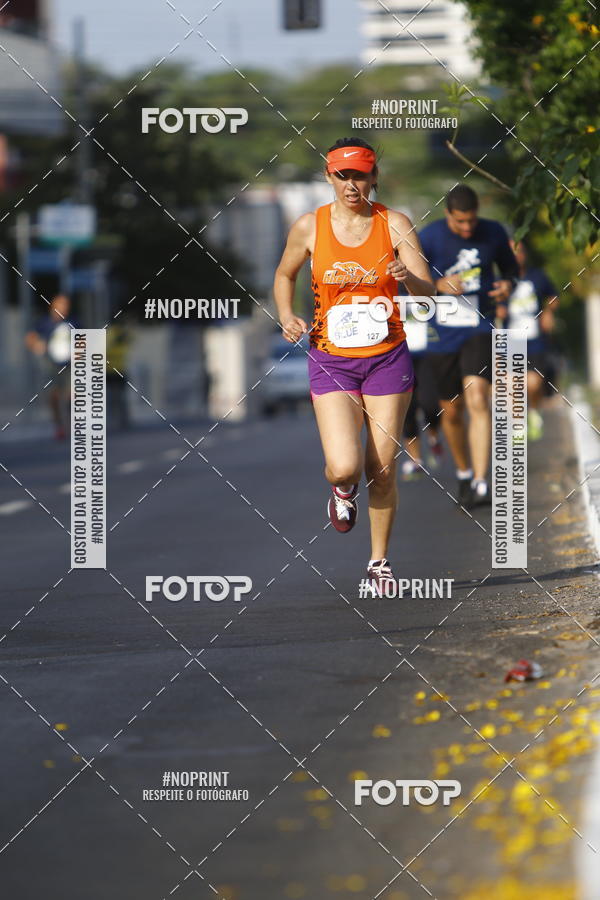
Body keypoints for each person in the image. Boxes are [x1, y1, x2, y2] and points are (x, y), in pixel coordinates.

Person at [273, 137, 434, 592]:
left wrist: (410, 278)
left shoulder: (394, 223)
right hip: (332, 361)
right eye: (342, 176)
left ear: (373, 177)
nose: (351, 185)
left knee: (381, 469)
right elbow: (284, 275)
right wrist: (287, 315)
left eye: (359, 175)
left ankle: (378, 562)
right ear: (329, 177)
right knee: (344, 466)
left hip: (387, 358)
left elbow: (428, 290)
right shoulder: (310, 227)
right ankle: (341, 492)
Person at [420, 185, 518, 508]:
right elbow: (409, 284)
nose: (467, 228)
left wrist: (508, 285)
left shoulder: (492, 232)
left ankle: (480, 482)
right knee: (451, 411)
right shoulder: (429, 237)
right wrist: (437, 284)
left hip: (480, 325)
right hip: (442, 334)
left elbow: (511, 270)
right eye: (460, 222)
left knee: (477, 397)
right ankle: (463, 472)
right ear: (447, 213)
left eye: (471, 221)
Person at [507, 240, 559, 441]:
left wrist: (548, 312)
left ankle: (535, 409)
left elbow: (554, 296)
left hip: (535, 339)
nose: (515, 256)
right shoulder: (499, 279)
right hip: (510, 339)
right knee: (514, 385)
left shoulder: (538, 276)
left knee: (534, 384)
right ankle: (518, 426)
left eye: (519, 251)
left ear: (524, 254)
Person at [401, 302, 443, 478]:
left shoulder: (426, 282)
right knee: (407, 410)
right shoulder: (390, 288)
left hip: (427, 355)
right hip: (400, 356)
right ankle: (415, 459)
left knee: (430, 405)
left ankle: (434, 438)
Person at [25, 294, 76, 440]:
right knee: (53, 396)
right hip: (52, 365)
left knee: (72, 395)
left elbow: (83, 339)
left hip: (70, 365)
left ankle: (72, 423)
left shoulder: (73, 322)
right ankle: (59, 425)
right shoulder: (45, 323)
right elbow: (30, 338)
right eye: (61, 305)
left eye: (66, 305)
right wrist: (36, 346)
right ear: (53, 306)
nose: (64, 308)